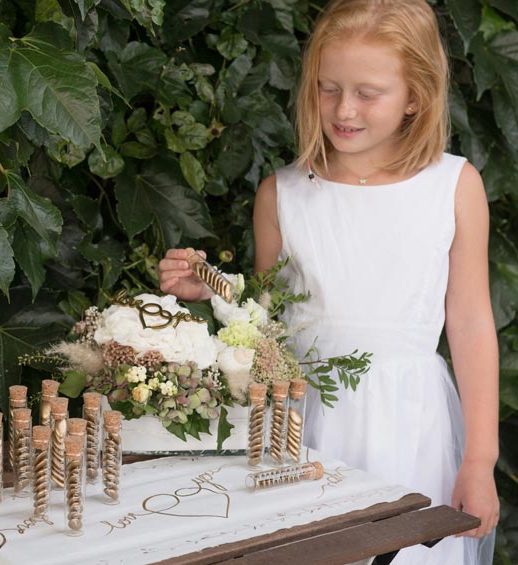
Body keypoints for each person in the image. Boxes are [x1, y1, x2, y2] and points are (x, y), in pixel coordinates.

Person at [158, 0, 499, 562]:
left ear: (415, 95)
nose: (344, 109)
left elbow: (470, 323)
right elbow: (268, 326)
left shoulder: (453, 186)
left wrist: (479, 461)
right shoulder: (283, 194)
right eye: (327, 87)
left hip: (411, 427)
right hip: (306, 424)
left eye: (369, 93)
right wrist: (212, 287)